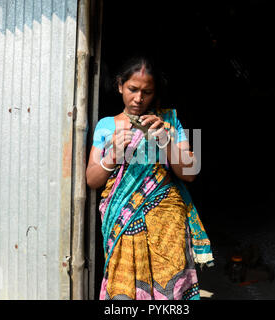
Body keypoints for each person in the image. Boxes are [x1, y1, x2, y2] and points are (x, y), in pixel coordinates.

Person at [86, 56, 214, 300]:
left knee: (170, 295)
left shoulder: (168, 122)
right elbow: (92, 179)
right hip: (123, 225)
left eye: (147, 92)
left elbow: (190, 174)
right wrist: (112, 155)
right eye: (133, 89)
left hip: (168, 227)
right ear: (120, 85)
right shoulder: (106, 126)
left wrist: (166, 140)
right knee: (123, 296)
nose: (138, 98)